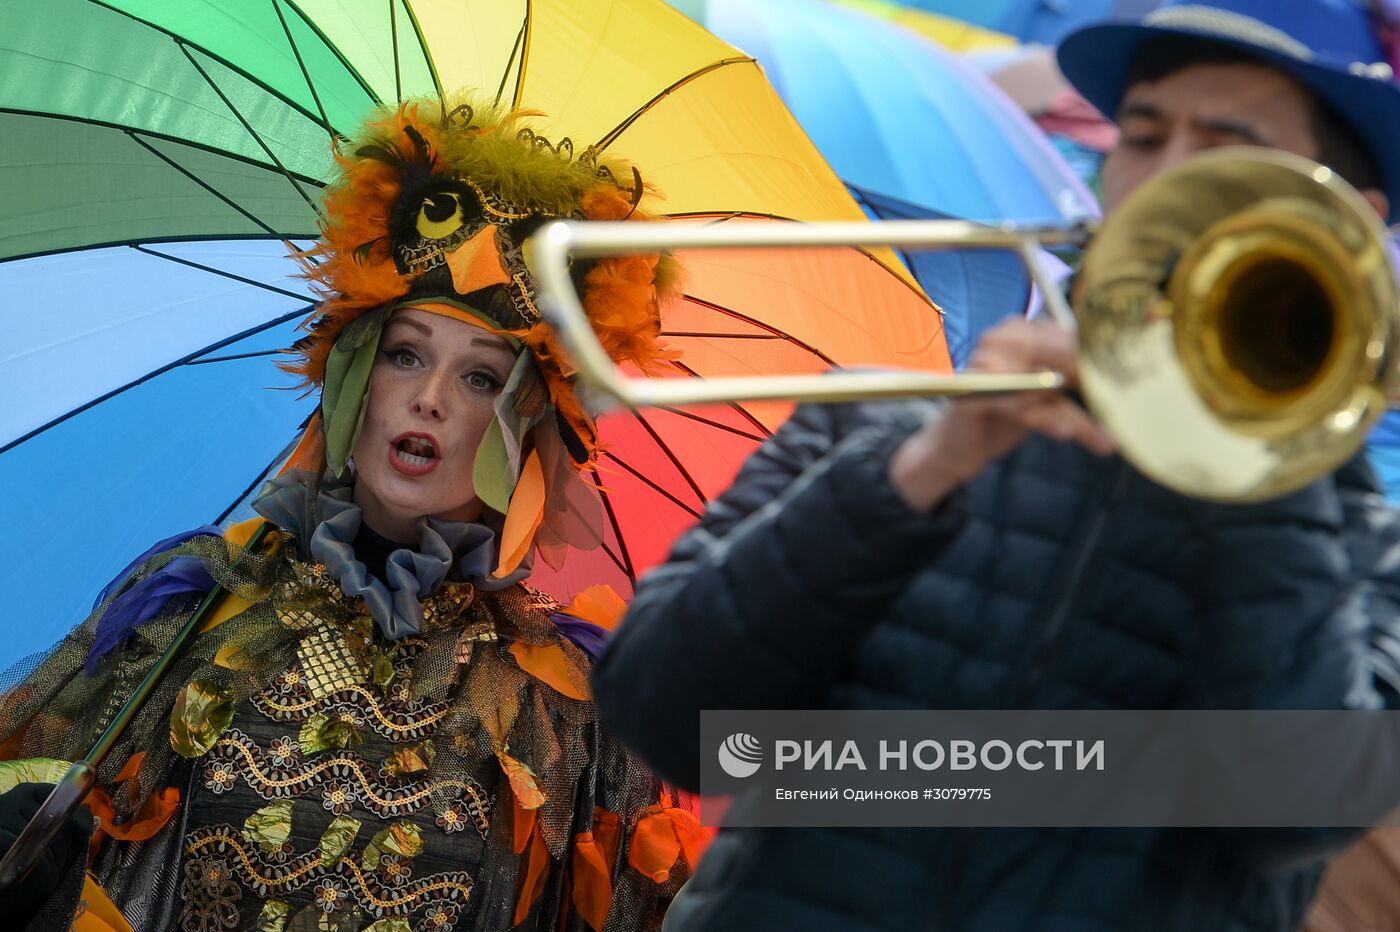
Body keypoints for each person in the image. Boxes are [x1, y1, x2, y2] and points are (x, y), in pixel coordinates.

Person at [591, 1, 1400, 929]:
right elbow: (672, 725)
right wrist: (920, 472)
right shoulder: (887, 421)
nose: (1167, 173)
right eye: (1141, 136)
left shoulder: (1368, 548)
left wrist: (1258, 453)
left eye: (1227, 145)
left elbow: (1289, 817)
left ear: (1347, 220)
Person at [0, 94, 701, 932]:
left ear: (528, 424)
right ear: (355, 379)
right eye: (406, 355)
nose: (430, 400)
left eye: (481, 377)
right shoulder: (189, 614)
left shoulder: (573, 710)